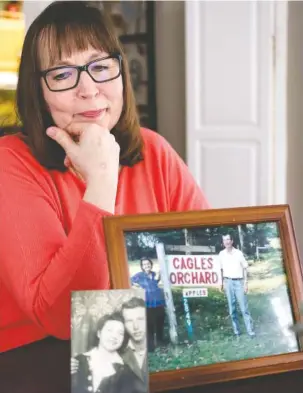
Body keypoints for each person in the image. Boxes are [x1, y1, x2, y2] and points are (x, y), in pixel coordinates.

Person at [0, 0, 209, 391]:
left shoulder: (154, 150)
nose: (88, 88)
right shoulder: (10, 163)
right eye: (62, 74)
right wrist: (101, 182)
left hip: (142, 342)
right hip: (35, 357)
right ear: (39, 91)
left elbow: (202, 265)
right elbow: (62, 317)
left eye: (100, 66)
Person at [71, 297, 148, 393]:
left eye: (120, 333)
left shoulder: (124, 370)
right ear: (99, 333)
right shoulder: (77, 362)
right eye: (109, 330)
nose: (114, 336)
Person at [218, 233, 255, 337]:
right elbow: (220, 269)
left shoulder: (238, 253)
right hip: (228, 282)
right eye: (225, 240)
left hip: (238, 282)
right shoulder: (221, 254)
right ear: (223, 242)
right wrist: (221, 283)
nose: (227, 242)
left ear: (232, 241)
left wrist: (245, 283)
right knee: (232, 309)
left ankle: (250, 332)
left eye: (228, 239)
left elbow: (245, 268)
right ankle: (237, 332)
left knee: (244, 308)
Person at [131, 258, 166, 351]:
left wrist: (158, 277)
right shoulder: (139, 276)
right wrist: (136, 287)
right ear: (142, 266)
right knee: (149, 326)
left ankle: (161, 343)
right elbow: (129, 281)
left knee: (160, 323)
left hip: (159, 303)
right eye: (144, 264)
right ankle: (150, 347)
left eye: (148, 264)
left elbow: (156, 283)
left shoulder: (155, 274)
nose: (147, 266)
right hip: (147, 304)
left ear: (151, 264)